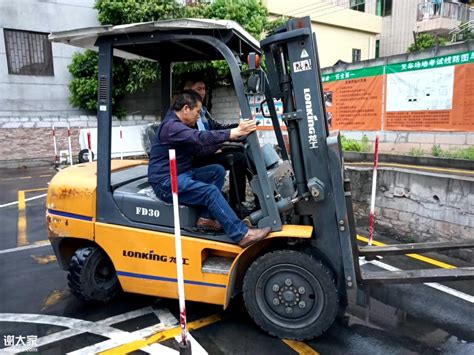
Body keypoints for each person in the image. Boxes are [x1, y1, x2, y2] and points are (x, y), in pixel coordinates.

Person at [148, 90, 271, 248]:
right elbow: (199, 138)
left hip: (182, 174)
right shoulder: (172, 127)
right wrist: (232, 133)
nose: (199, 116)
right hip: (166, 182)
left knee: (216, 170)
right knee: (210, 192)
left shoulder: (180, 126)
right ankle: (242, 234)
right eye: (197, 112)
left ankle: (205, 219)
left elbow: (200, 148)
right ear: (186, 109)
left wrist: (228, 140)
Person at [185, 78, 254, 216]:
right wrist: (218, 144)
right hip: (196, 157)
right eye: (199, 89)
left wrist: (240, 126)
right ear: (188, 90)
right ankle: (236, 204)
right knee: (238, 158)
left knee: (244, 151)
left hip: (207, 151)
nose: (203, 92)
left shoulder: (203, 112)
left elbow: (217, 128)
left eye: (204, 89)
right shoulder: (185, 115)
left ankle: (261, 196)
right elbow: (199, 138)